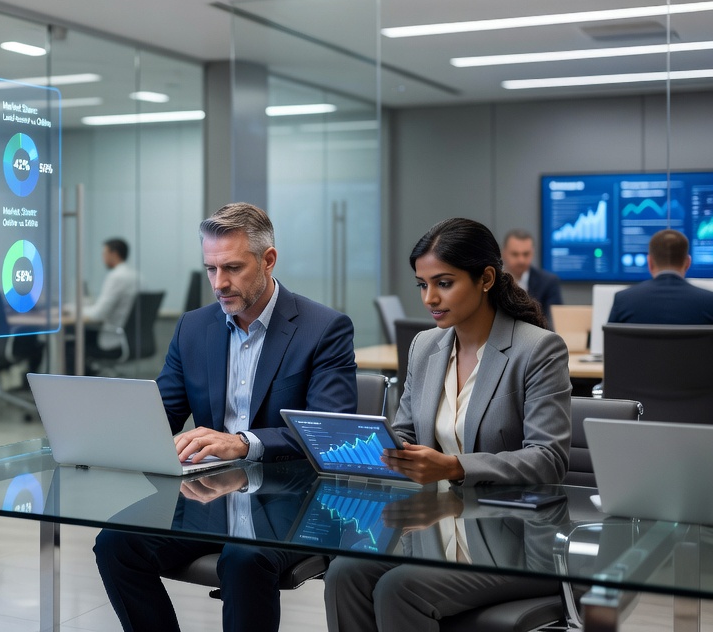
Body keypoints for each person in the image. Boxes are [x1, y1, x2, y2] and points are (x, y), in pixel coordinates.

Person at [95, 202, 358, 632]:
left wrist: (244, 443)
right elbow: (164, 411)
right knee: (115, 544)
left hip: (293, 503)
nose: (220, 283)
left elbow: (329, 432)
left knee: (243, 556)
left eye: (233, 268)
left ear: (268, 260)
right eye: (211, 269)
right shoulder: (193, 328)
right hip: (209, 500)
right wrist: (112, 434)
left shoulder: (324, 328)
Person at [325, 217, 572, 632]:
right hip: (436, 528)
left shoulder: (537, 349)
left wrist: (454, 467)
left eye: (444, 282)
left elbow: (548, 460)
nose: (429, 298)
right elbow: (404, 431)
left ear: (486, 278)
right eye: (422, 285)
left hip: (516, 541)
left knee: (398, 588)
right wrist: (369, 448)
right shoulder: (425, 346)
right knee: (344, 572)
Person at [609, 229, 713, 324]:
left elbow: (610, 343)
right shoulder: (709, 302)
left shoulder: (623, 300)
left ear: (650, 263)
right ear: (687, 263)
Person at [66, 238, 140, 369]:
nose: (103, 258)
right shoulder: (137, 276)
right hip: (134, 340)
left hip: (114, 339)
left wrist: (70, 309)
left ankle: (80, 386)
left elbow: (98, 314)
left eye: (104, 253)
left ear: (114, 254)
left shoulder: (116, 277)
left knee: (69, 345)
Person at [502, 229, 562, 329]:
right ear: (504, 253)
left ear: (532, 253)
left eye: (526, 254)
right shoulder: (492, 281)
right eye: (515, 254)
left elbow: (553, 324)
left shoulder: (548, 282)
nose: (521, 260)